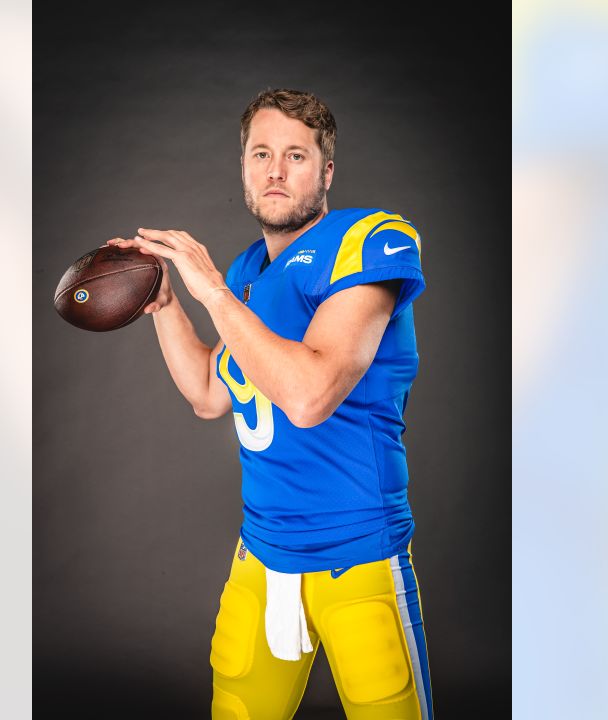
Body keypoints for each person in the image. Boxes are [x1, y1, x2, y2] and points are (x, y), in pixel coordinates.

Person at [106, 88, 433, 720]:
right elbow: (208, 392)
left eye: (296, 155)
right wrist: (168, 303)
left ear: (326, 171)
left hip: (358, 558)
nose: (275, 171)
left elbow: (309, 395)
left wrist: (214, 295)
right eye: (261, 154)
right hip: (261, 556)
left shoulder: (372, 239)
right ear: (244, 167)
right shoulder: (247, 271)